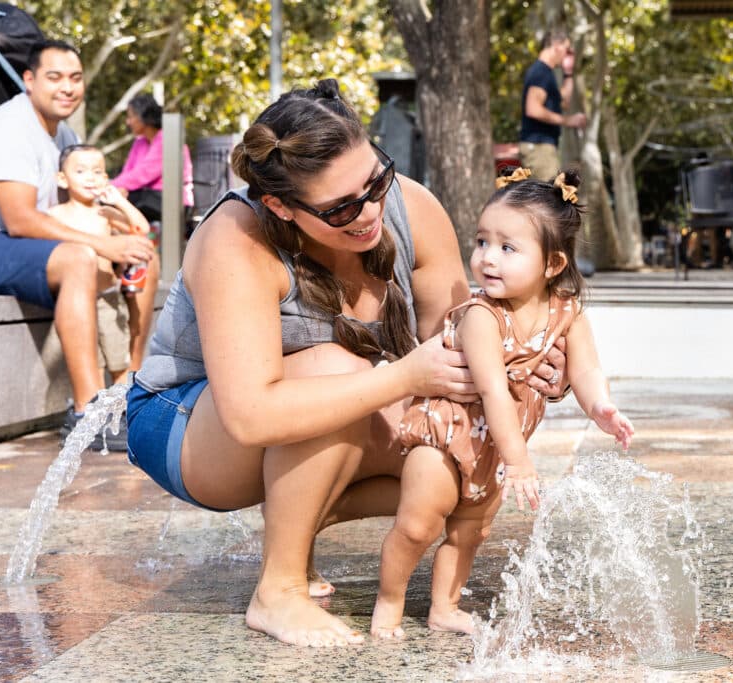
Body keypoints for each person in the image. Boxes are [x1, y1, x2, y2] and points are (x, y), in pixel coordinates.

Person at [125, 79, 568, 648]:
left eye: (375, 181)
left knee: (466, 453)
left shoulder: (411, 207)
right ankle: (278, 590)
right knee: (339, 371)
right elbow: (251, 416)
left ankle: (308, 514)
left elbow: (461, 346)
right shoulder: (236, 237)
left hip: (321, 402)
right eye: (340, 209)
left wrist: (530, 363)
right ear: (281, 206)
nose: (370, 212)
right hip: (186, 424)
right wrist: (401, 377)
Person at [370, 168, 635, 639]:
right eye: (481, 242)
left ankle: (444, 606)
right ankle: (388, 603)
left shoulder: (566, 311)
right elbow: (492, 389)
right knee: (417, 525)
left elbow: (585, 370)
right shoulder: (480, 315)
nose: (487, 259)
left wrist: (601, 409)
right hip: (445, 435)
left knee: (470, 532)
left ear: (552, 264)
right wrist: (521, 463)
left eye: (507, 248)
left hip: (495, 450)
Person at [0, 40, 157, 451]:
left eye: (75, 78)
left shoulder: (63, 133)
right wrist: (105, 247)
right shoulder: (9, 127)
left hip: (19, 245)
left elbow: (80, 201)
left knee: (143, 255)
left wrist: (122, 234)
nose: (66, 87)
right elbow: (20, 220)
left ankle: (127, 395)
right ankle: (87, 413)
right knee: (80, 259)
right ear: (29, 81)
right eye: (54, 77)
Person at [48, 144, 151, 388]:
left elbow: (141, 229)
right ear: (62, 179)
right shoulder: (55, 215)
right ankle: (96, 414)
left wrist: (119, 202)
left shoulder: (105, 213)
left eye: (97, 172)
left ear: (105, 178)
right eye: (81, 171)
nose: (90, 178)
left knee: (119, 362)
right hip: (77, 303)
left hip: (108, 299)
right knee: (93, 363)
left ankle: (120, 415)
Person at [110, 93, 194, 223]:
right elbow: (128, 173)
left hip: (171, 200)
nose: (128, 122)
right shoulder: (139, 142)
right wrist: (119, 188)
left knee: (111, 201)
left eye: (130, 116)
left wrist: (108, 187)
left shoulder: (167, 139)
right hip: (144, 196)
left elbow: (143, 174)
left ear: (142, 116)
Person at [519, 29, 587, 182]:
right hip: (538, 147)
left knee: (549, 200)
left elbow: (563, 101)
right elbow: (533, 109)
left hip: (543, 147)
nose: (567, 54)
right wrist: (568, 120)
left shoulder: (546, 73)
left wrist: (568, 72)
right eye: (566, 49)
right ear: (557, 45)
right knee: (550, 201)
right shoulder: (540, 72)